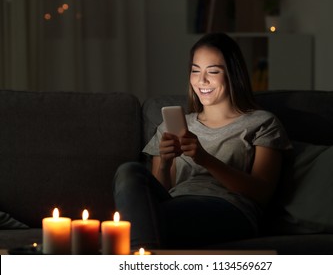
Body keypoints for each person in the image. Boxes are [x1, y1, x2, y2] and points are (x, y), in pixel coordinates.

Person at [113, 32, 291, 250]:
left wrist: (204, 158)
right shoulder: (172, 125)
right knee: (128, 171)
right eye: (195, 71)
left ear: (233, 75)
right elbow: (162, 190)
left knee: (145, 220)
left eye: (213, 71)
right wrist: (166, 163)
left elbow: (262, 193)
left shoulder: (262, 122)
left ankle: (141, 258)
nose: (201, 80)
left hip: (230, 208)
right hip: (174, 202)